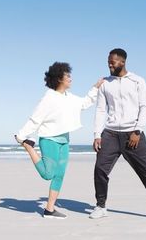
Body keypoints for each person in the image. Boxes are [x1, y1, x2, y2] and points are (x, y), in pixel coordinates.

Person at [89, 48, 146, 222]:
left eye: (112, 62)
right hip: (110, 134)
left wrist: (137, 130)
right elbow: (100, 110)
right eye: (108, 62)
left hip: (133, 134)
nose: (109, 65)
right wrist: (97, 134)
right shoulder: (105, 83)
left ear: (123, 62)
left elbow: (145, 107)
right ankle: (101, 206)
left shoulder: (137, 81)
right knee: (100, 170)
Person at [15, 62, 103, 219]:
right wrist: (22, 136)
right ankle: (29, 147)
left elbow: (84, 103)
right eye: (67, 75)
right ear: (58, 78)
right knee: (48, 174)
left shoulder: (69, 97)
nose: (71, 78)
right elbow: (35, 118)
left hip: (64, 140)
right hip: (49, 139)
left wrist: (96, 87)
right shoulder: (49, 97)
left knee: (59, 175)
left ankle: (49, 209)